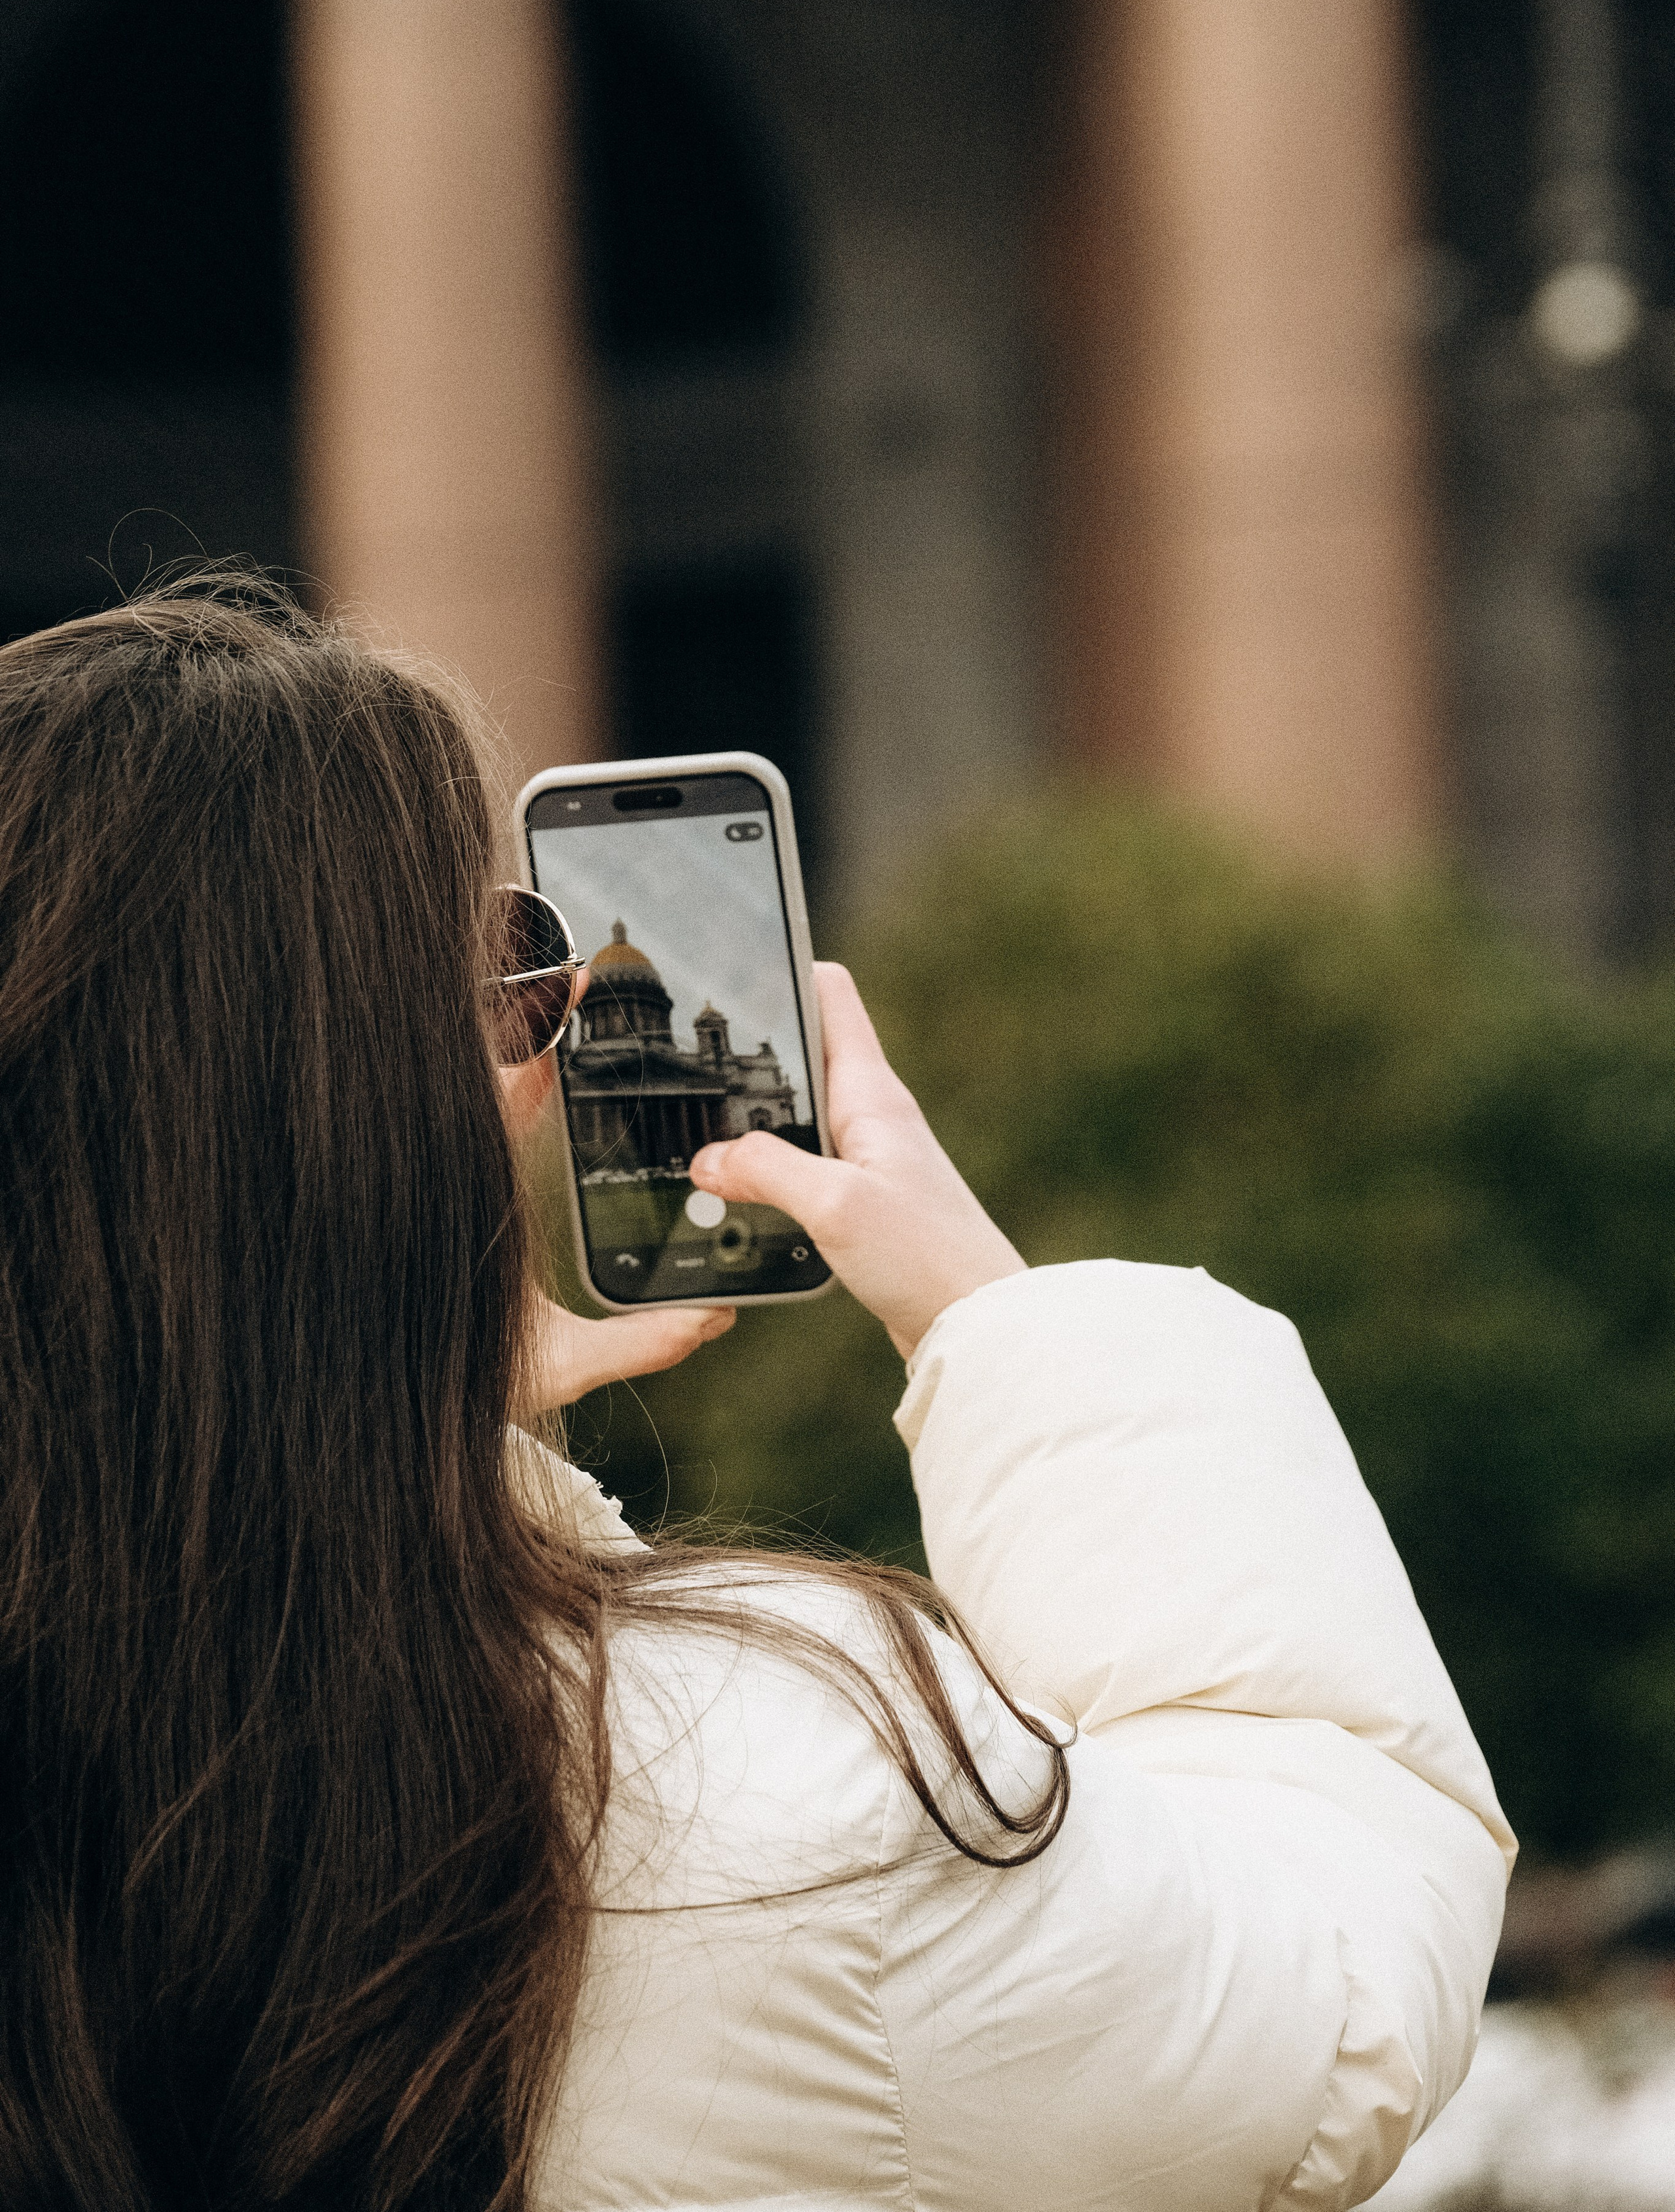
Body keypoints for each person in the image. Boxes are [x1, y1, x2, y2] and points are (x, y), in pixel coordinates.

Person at [0, 573, 1513, 2212]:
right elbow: (1332, 1991)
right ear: (385, 1141)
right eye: (515, 978)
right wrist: (999, 1326)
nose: (557, 1031)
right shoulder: (785, 1800)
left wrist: (401, 1416)